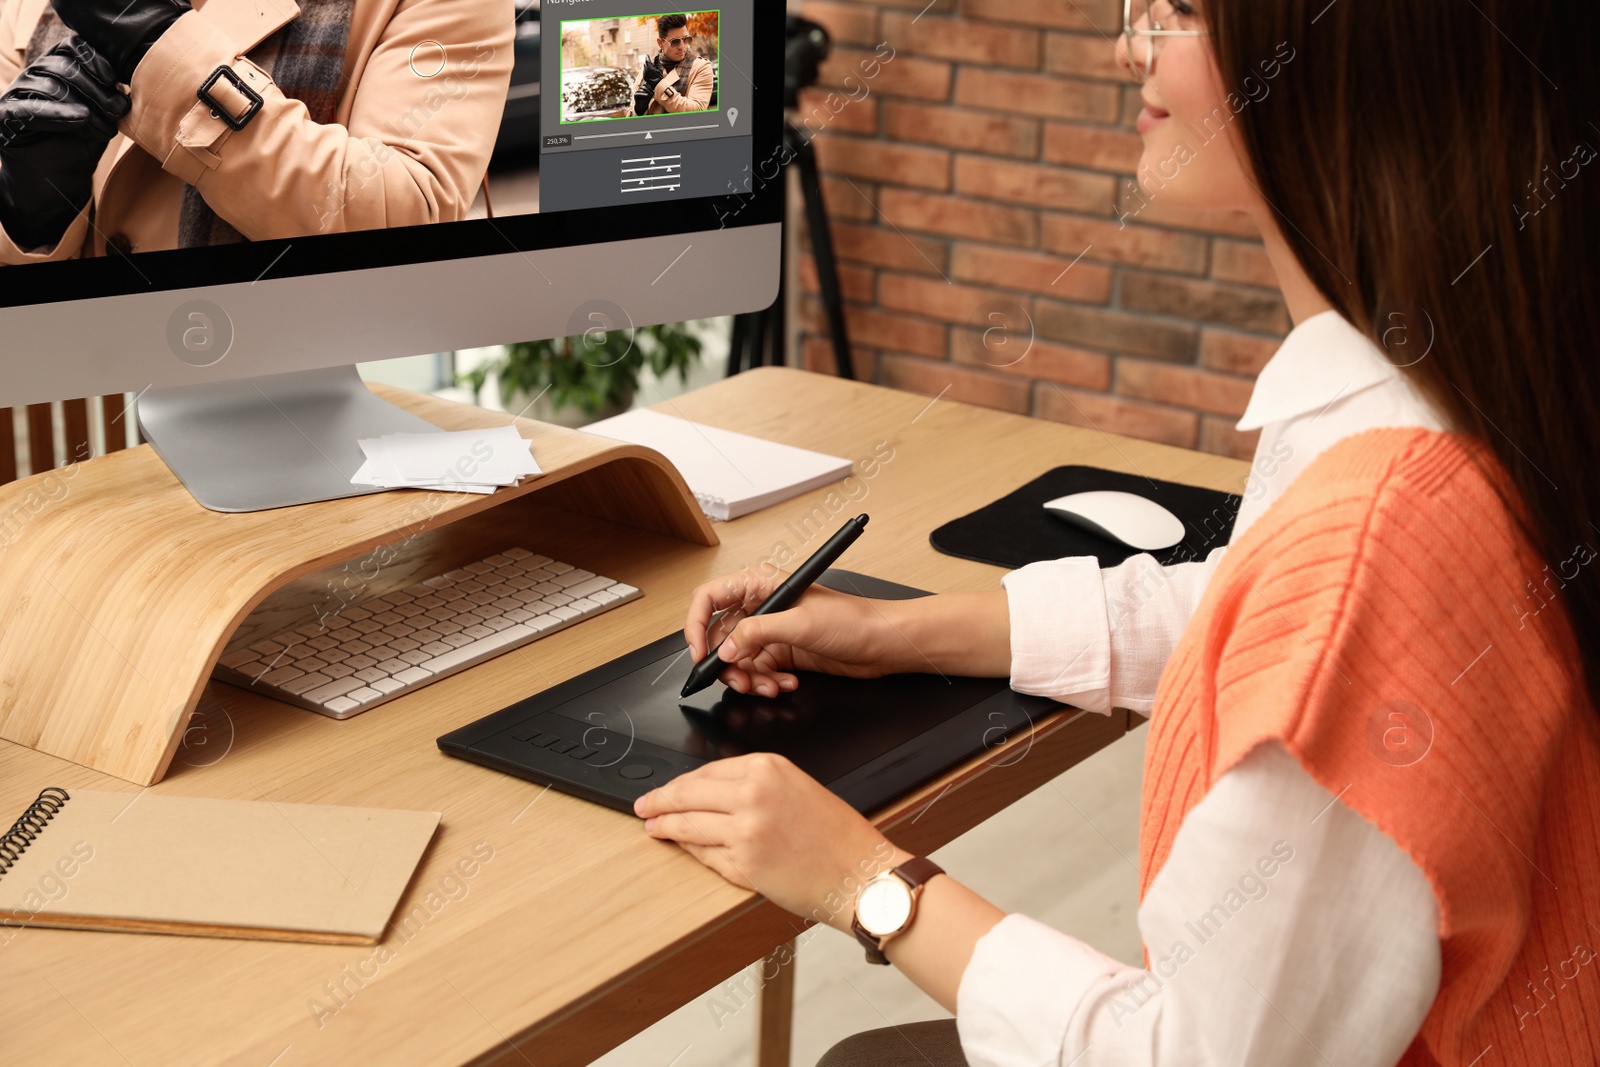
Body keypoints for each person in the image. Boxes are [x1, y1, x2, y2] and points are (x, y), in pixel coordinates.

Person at [633, 1, 1600, 1064]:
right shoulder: (1460, 382)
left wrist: (865, 881)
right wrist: (893, 633)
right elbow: (1246, 614)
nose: (1126, 46)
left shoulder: (1388, 526)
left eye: (1175, 12)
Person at [0, 0, 513, 263]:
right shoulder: (20, 9)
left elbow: (404, 222)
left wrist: (162, 52)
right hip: (97, 403)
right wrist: (29, 217)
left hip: (312, 392)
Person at [632, 12, 713, 116]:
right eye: (675, 42)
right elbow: (630, 116)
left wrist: (659, 85)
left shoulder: (701, 67)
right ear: (660, 43)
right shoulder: (648, 70)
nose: (682, 46)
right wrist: (639, 110)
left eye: (685, 39)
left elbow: (698, 110)